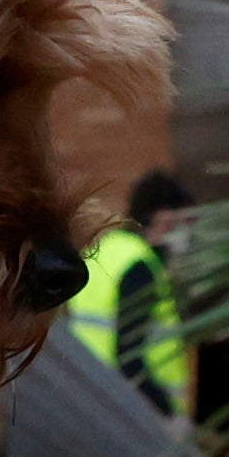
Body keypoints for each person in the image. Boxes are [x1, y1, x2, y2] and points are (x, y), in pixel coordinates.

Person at [63, 165, 193, 416]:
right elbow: (130, 358)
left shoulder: (104, 251)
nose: (186, 232)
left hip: (90, 397)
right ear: (164, 218)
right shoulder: (139, 266)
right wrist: (167, 414)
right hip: (134, 410)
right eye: (184, 221)